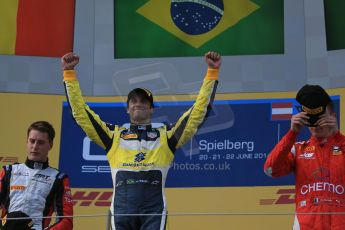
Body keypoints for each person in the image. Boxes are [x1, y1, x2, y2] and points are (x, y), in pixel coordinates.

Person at [61, 51, 221, 230]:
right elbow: (81, 114)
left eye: (144, 101)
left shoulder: (166, 135)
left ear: (152, 109)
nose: (138, 103)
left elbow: (198, 113)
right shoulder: (113, 136)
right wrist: (69, 74)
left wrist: (211, 73)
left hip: (154, 209)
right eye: (133, 100)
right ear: (127, 109)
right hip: (121, 209)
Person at [264, 85, 345, 230]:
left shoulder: (343, 145)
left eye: (320, 119)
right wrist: (292, 134)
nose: (315, 125)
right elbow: (270, 170)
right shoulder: (298, 149)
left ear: (332, 117)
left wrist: (337, 136)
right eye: (310, 120)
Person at [0, 121, 74, 230]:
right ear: (27, 142)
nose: (35, 147)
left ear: (50, 145)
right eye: (32, 141)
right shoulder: (8, 171)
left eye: (40, 142)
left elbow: (66, 221)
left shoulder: (58, 178)